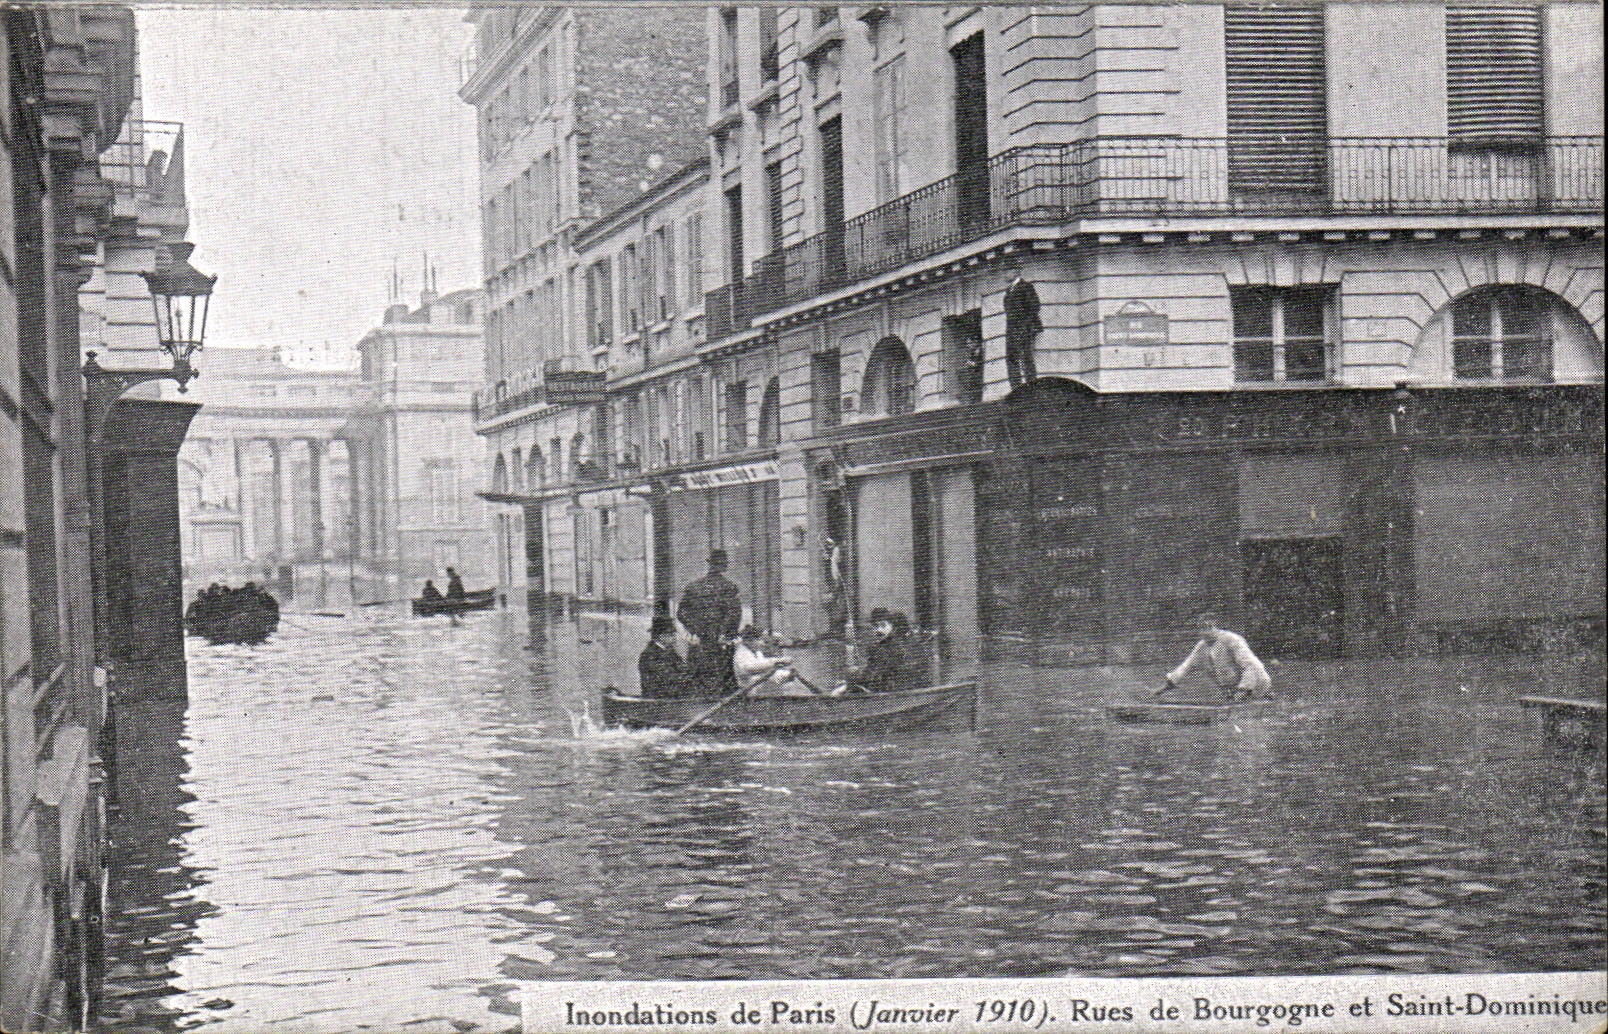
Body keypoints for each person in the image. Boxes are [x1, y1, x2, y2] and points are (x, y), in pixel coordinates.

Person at [1158, 611, 1271, 703]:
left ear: (1217, 627)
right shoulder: (1201, 646)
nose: (1206, 632)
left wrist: (1243, 690)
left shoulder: (1232, 640)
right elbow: (1186, 667)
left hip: (1256, 686)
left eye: (1209, 627)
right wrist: (1165, 687)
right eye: (1202, 628)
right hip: (1231, 690)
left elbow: (1251, 666)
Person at [676, 549, 743, 693]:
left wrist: (696, 629)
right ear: (723, 566)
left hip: (699, 642)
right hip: (720, 643)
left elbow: (681, 613)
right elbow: (734, 615)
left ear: (710, 564)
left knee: (697, 676)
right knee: (724, 679)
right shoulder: (729, 588)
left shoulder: (694, 587)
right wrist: (724, 633)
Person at [843, 608, 911, 694]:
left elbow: (884, 674)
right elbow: (869, 671)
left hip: (891, 693)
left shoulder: (897, 648)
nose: (879, 630)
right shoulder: (875, 649)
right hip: (876, 692)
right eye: (875, 626)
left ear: (891, 626)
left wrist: (862, 685)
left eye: (883, 625)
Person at [732, 625, 807, 696]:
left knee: (789, 681)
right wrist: (776, 662)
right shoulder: (741, 654)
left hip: (760, 685)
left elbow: (764, 663)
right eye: (760, 640)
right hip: (750, 688)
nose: (762, 644)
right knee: (784, 682)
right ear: (750, 641)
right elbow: (751, 668)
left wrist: (781, 666)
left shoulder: (756, 652)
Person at [638, 615, 695, 699]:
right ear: (661, 636)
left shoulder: (670, 651)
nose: (674, 638)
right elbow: (665, 677)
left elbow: (682, 668)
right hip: (657, 698)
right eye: (671, 635)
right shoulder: (649, 654)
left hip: (671, 695)